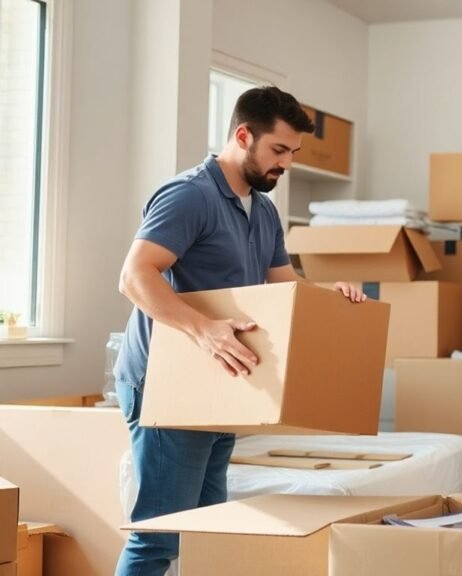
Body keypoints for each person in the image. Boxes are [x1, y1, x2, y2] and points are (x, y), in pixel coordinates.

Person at [112, 86, 366, 575]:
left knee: (210, 531)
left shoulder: (264, 211)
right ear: (243, 135)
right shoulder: (190, 195)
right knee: (160, 536)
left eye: (293, 153)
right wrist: (204, 330)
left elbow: (285, 291)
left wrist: (334, 300)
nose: (286, 163)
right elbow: (134, 276)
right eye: (278, 150)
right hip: (169, 384)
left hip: (223, 381)